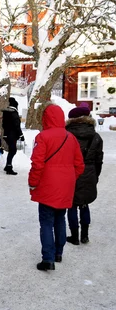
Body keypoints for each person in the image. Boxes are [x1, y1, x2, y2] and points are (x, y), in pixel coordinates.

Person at [28, 104, 84, 271]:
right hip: (65, 186)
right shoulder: (70, 137)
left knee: (46, 222)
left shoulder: (42, 137)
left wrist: (33, 183)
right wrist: (69, 179)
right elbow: (79, 165)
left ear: (45, 118)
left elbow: (37, 164)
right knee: (60, 218)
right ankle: (58, 253)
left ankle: (48, 258)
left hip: (47, 185)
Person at [65, 106, 103, 245]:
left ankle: (74, 236)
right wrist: (95, 176)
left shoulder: (67, 134)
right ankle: (85, 235)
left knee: (72, 205)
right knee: (85, 204)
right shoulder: (96, 136)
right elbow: (99, 159)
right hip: (90, 171)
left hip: (72, 172)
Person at [1, 97, 24, 175]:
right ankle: (9, 167)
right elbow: (17, 125)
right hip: (12, 135)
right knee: (13, 151)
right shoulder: (14, 113)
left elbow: (4, 125)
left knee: (11, 150)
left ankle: (8, 165)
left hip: (6, 134)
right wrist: (21, 135)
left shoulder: (6, 113)